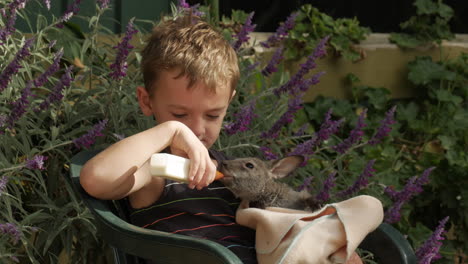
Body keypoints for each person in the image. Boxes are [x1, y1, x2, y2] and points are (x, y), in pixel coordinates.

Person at [80, 15, 363, 264]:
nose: (196, 129)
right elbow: (96, 178)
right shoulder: (156, 170)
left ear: (229, 104)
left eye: (213, 115)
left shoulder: (233, 176)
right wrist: (171, 132)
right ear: (146, 101)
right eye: (180, 115)